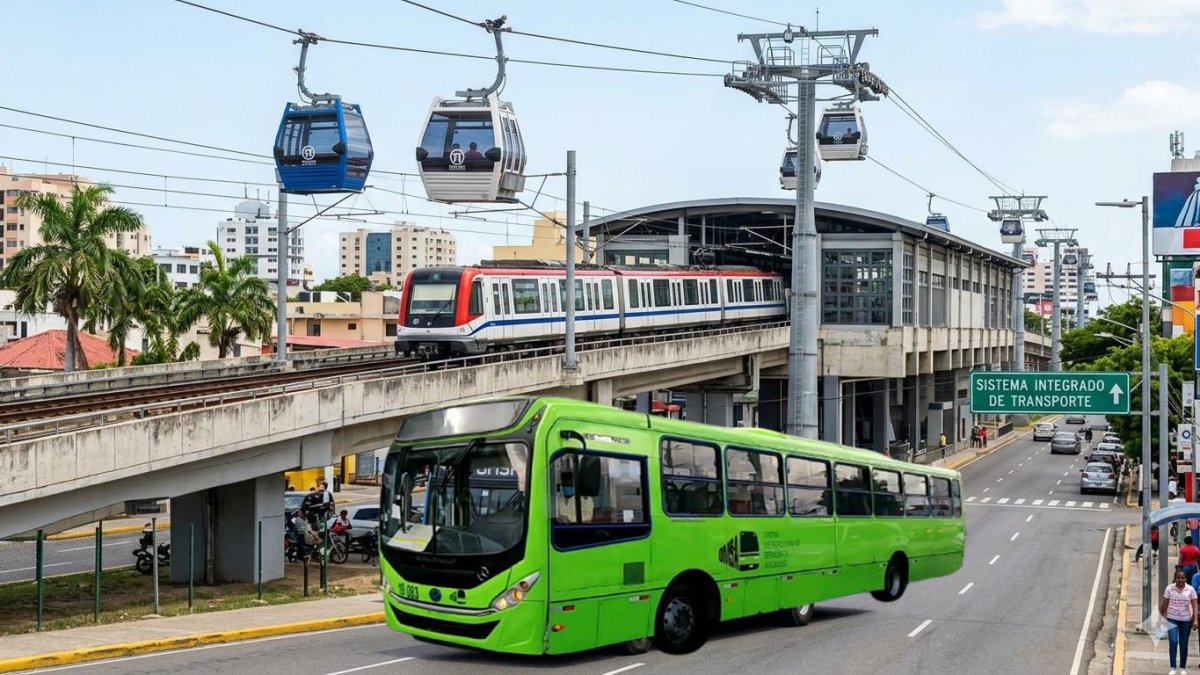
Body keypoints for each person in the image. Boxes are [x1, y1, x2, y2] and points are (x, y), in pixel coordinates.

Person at [1161, 567, 1198, 674]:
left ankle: (1182, 668)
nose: (1180, 580)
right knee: (1173, 642)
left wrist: (1195, 620)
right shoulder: (1169, 588)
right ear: (1175, 578)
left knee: (1183, 643)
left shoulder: (1190, 590)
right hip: (1172, 619)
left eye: (1182, 578)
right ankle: (1173, 667)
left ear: (1185, 579)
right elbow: (1164, 604)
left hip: (1186, 620)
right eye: (1178, 578)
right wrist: (1160, 618)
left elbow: (1194, 606)